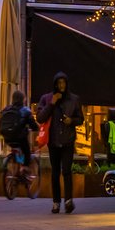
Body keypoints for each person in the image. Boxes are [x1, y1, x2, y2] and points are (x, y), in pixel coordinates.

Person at [36, 72, 83, 214]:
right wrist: (52, 103)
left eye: (64, 82)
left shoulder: (74, 99)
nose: (61, 85)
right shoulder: (46, 98)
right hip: (53, 141)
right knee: (55, 173)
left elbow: (80, 119)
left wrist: (72, 121)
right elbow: (40, 118)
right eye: (59, 83)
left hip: (68, 141)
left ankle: (68, 200)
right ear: (55, 84)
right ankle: (56, 202)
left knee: (67, 171)